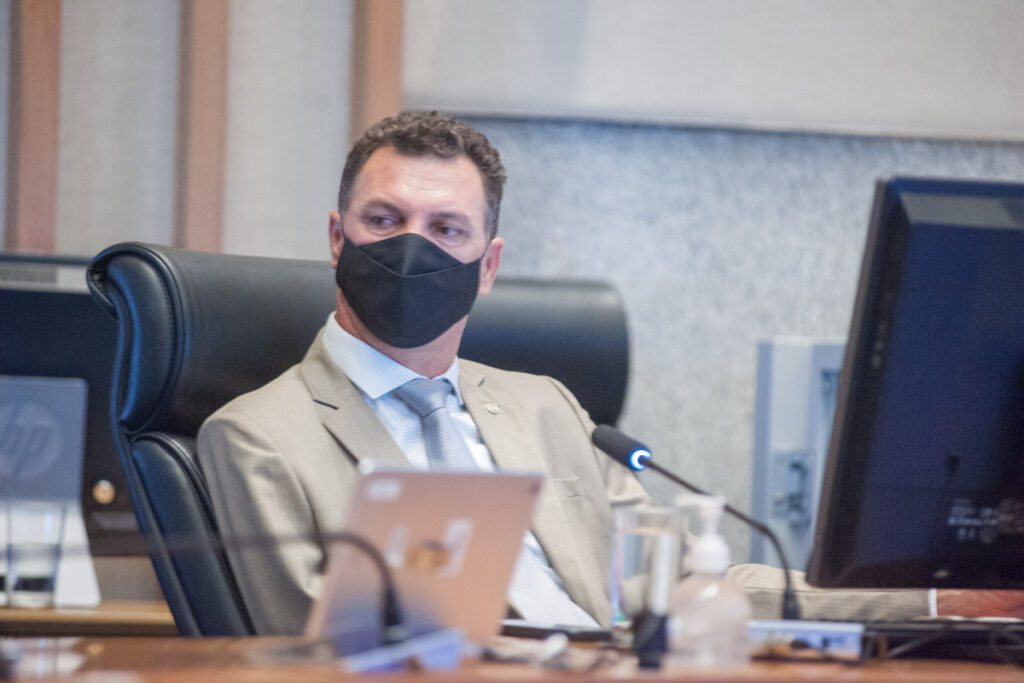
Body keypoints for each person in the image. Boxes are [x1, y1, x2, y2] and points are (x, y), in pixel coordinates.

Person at [198, 111, 1015, 636]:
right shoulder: (257, 436)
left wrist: (943, 602)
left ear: (488, 266)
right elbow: (312, 650)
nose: (413, 246)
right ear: (337, 238)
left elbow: (684, 581)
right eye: (385, 219)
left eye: (447, 228)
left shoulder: (543, 406)